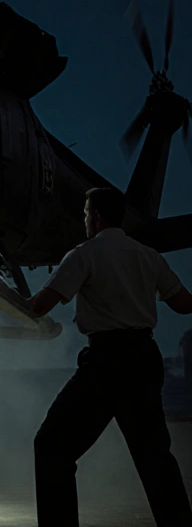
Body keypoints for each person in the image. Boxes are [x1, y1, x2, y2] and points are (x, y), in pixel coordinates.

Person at [27, 187, 192, 527]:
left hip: (105, 362)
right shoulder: (148, 256)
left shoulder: (84, 254)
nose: (85, 220)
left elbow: (40, 306)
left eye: (86, 214)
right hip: (144, 358)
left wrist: (16, 300)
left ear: (97, 216)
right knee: (155, 458)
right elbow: (184, 304)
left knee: (51, 446)